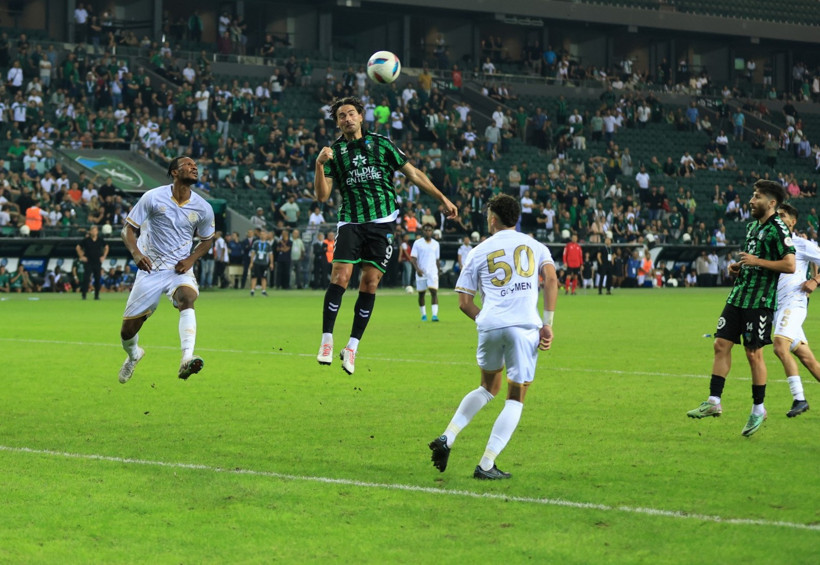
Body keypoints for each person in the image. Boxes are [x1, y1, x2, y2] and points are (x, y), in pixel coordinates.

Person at [314, 96, 457, 374]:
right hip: (351, 222)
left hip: (382, 223)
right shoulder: (333, 152)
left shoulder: (382, 144)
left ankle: (352, 347)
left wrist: (441, 198)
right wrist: (318, 165)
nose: (347, 119)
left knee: (369, 284)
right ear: (337, 122)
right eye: (341, 116)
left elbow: (413, 174)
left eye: (351, 113)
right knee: (340, 277)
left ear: (361, 116)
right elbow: (322, 195)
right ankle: (327, 341)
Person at [428, 194, 558, 480]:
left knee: (488, 387)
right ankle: (486, 463)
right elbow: (550, 279)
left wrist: (487, 320)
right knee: (516, 395)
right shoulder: (535, 246)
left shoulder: (478, 251)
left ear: (493, 219)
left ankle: (448, 436)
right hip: (523, 329)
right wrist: (547, 324)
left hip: (489, 326)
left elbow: (463, 301)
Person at [687, 180, 795, 436]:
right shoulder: (751, 228)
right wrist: (739, 267)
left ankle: (759, 409)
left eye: (756, 196)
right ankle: (714, 402)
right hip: (738, 296)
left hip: (759, 302)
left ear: (771, 203)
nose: (751, 200)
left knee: (753, 353)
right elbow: (753, 261)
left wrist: (757, 261)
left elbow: (789, 265)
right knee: (720, 344)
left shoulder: (779, 229)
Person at [117, 157, 215, 384]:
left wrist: (191, 259)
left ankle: (186, 358)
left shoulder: (203, 207)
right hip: (149, 269)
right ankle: (134, 355)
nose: (194, 168)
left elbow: (207, 240)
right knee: (126, 333)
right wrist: (136, 254)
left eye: (196, 166)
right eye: (188, 165)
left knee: (187, 298)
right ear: (174, 172)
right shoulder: (152, 197)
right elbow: (127, 230)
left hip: (178, 269)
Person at [772, 204, 820, 417]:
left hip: (794, 304)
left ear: (792, 222)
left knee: (779, 346)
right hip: (778, 308)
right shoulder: (771, 246)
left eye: (782, 216)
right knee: (808, 359)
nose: (778, 219)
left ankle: (799, 398)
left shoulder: (800, 244)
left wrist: (816, 280)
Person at [410, 224, 441, 321]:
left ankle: (434, 315)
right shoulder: (417, 243)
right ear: (423, 231)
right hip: (421, 272)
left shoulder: (436, 244)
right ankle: (423, 315)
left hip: (432, 272)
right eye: (426, 230)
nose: (428, 232)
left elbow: (437, 260)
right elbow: (413, 258)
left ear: (432, 231)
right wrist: (417, 269)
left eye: (430, 230)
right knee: (421, 294)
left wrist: (438, 271)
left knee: (434, 292)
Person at [76, 225, 109, 300]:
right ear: (90, 232)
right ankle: (84, 295)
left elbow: (106, 247)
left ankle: (96, 295)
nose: (94, 232)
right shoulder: (86, 240)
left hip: (97, 262)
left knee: (97, 279)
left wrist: (104, 256)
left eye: (95, 230)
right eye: (93, 230)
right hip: (88, 262)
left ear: (97, 232)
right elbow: (78, 247)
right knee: (86, 278)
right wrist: (81, 256)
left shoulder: (100, 240)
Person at [249, 229, 273, 296]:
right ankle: (252, 290)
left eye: (264, 234)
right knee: (254, 276)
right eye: (261, 234)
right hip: (257, 262)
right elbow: (253, 253)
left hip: (264, 263)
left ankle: (263, 290)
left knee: (264, 277)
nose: (262, 236)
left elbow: (270, 254)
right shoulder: (256, 243)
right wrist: (251, 262)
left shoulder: (268, 244)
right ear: (260, 235)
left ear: (266, 236)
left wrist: (271, 263)